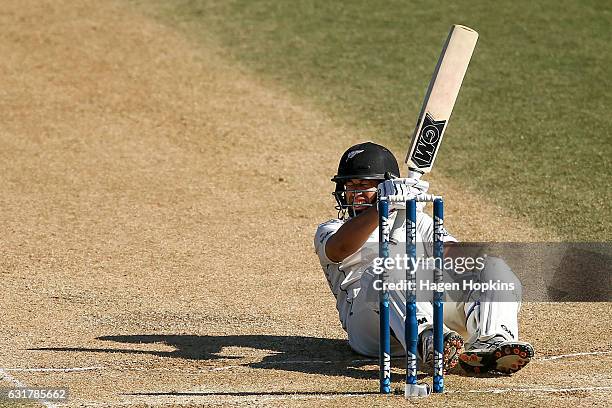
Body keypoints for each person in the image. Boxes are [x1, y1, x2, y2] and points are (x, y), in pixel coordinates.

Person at [314, 141, 534, 375]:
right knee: (383, 269)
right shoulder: (332, 229)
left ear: (386, 186)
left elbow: (452, 255)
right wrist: (381, 209)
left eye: (364, 185)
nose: (355, 193)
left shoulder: (417, 220)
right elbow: (339, 248)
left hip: (424, 305)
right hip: (369, 329)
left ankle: (493, 341)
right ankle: (429, 339)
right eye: (350, 185)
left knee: (491, 267)